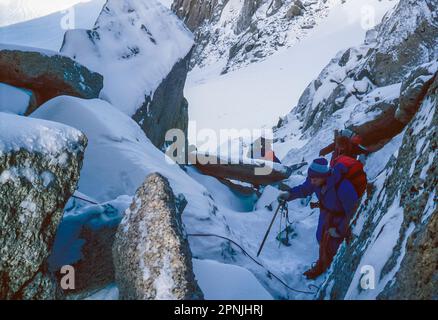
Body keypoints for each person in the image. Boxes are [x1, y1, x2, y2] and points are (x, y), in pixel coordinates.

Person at [278, 158, 359, 279]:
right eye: (310, 178)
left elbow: (353, 211)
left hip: (340, 217)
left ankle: (333, 270)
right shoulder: (315, 180)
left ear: (325, 176)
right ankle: (322, 265)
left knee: (333, 244)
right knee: (321, 237)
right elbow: (304, 189)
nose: (312, 181)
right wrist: (289, 194)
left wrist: (340, 230)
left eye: (315, 178)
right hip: (326, 214)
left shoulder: (343, 187)